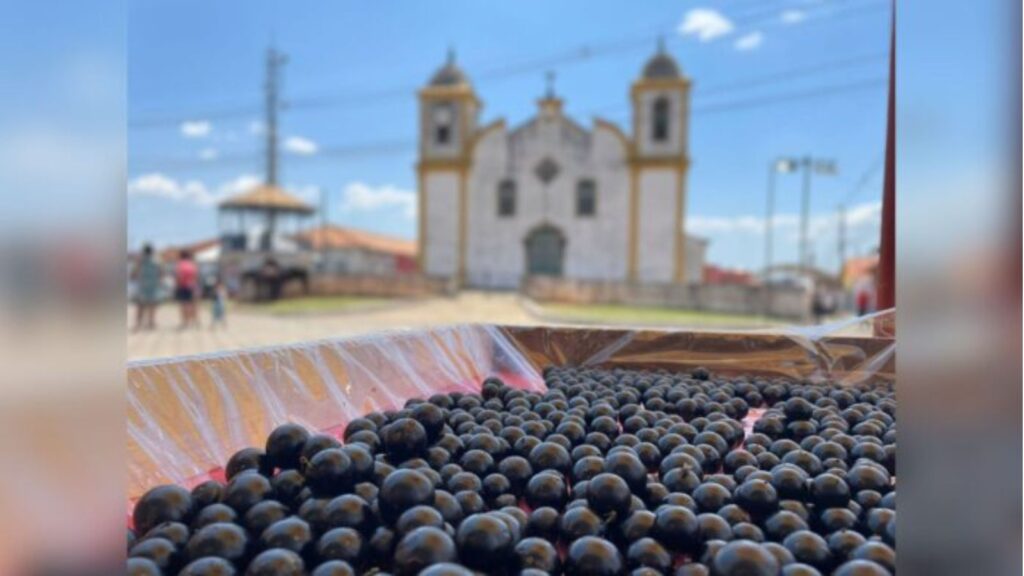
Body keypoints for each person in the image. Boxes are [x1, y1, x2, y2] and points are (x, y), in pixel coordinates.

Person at [131, 244, 162, 331]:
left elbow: (134, 274)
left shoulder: (139, 261)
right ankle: (151, 323)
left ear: (143, 252)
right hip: (153, 286)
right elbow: (161, 273)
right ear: (152, 252)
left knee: (140, 306)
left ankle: (138, 324)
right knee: (152, 305)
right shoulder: (157, 261)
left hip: (142, 286)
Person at [174, 249, 200, 329]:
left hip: (183, 286)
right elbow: (196, 277)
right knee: (192, 305)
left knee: (184, 305)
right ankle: (195, 322)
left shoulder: (180, 265)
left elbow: (178, 277)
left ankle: (185, 322)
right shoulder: (193, 265)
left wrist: (177, 285)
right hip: (192, 286)